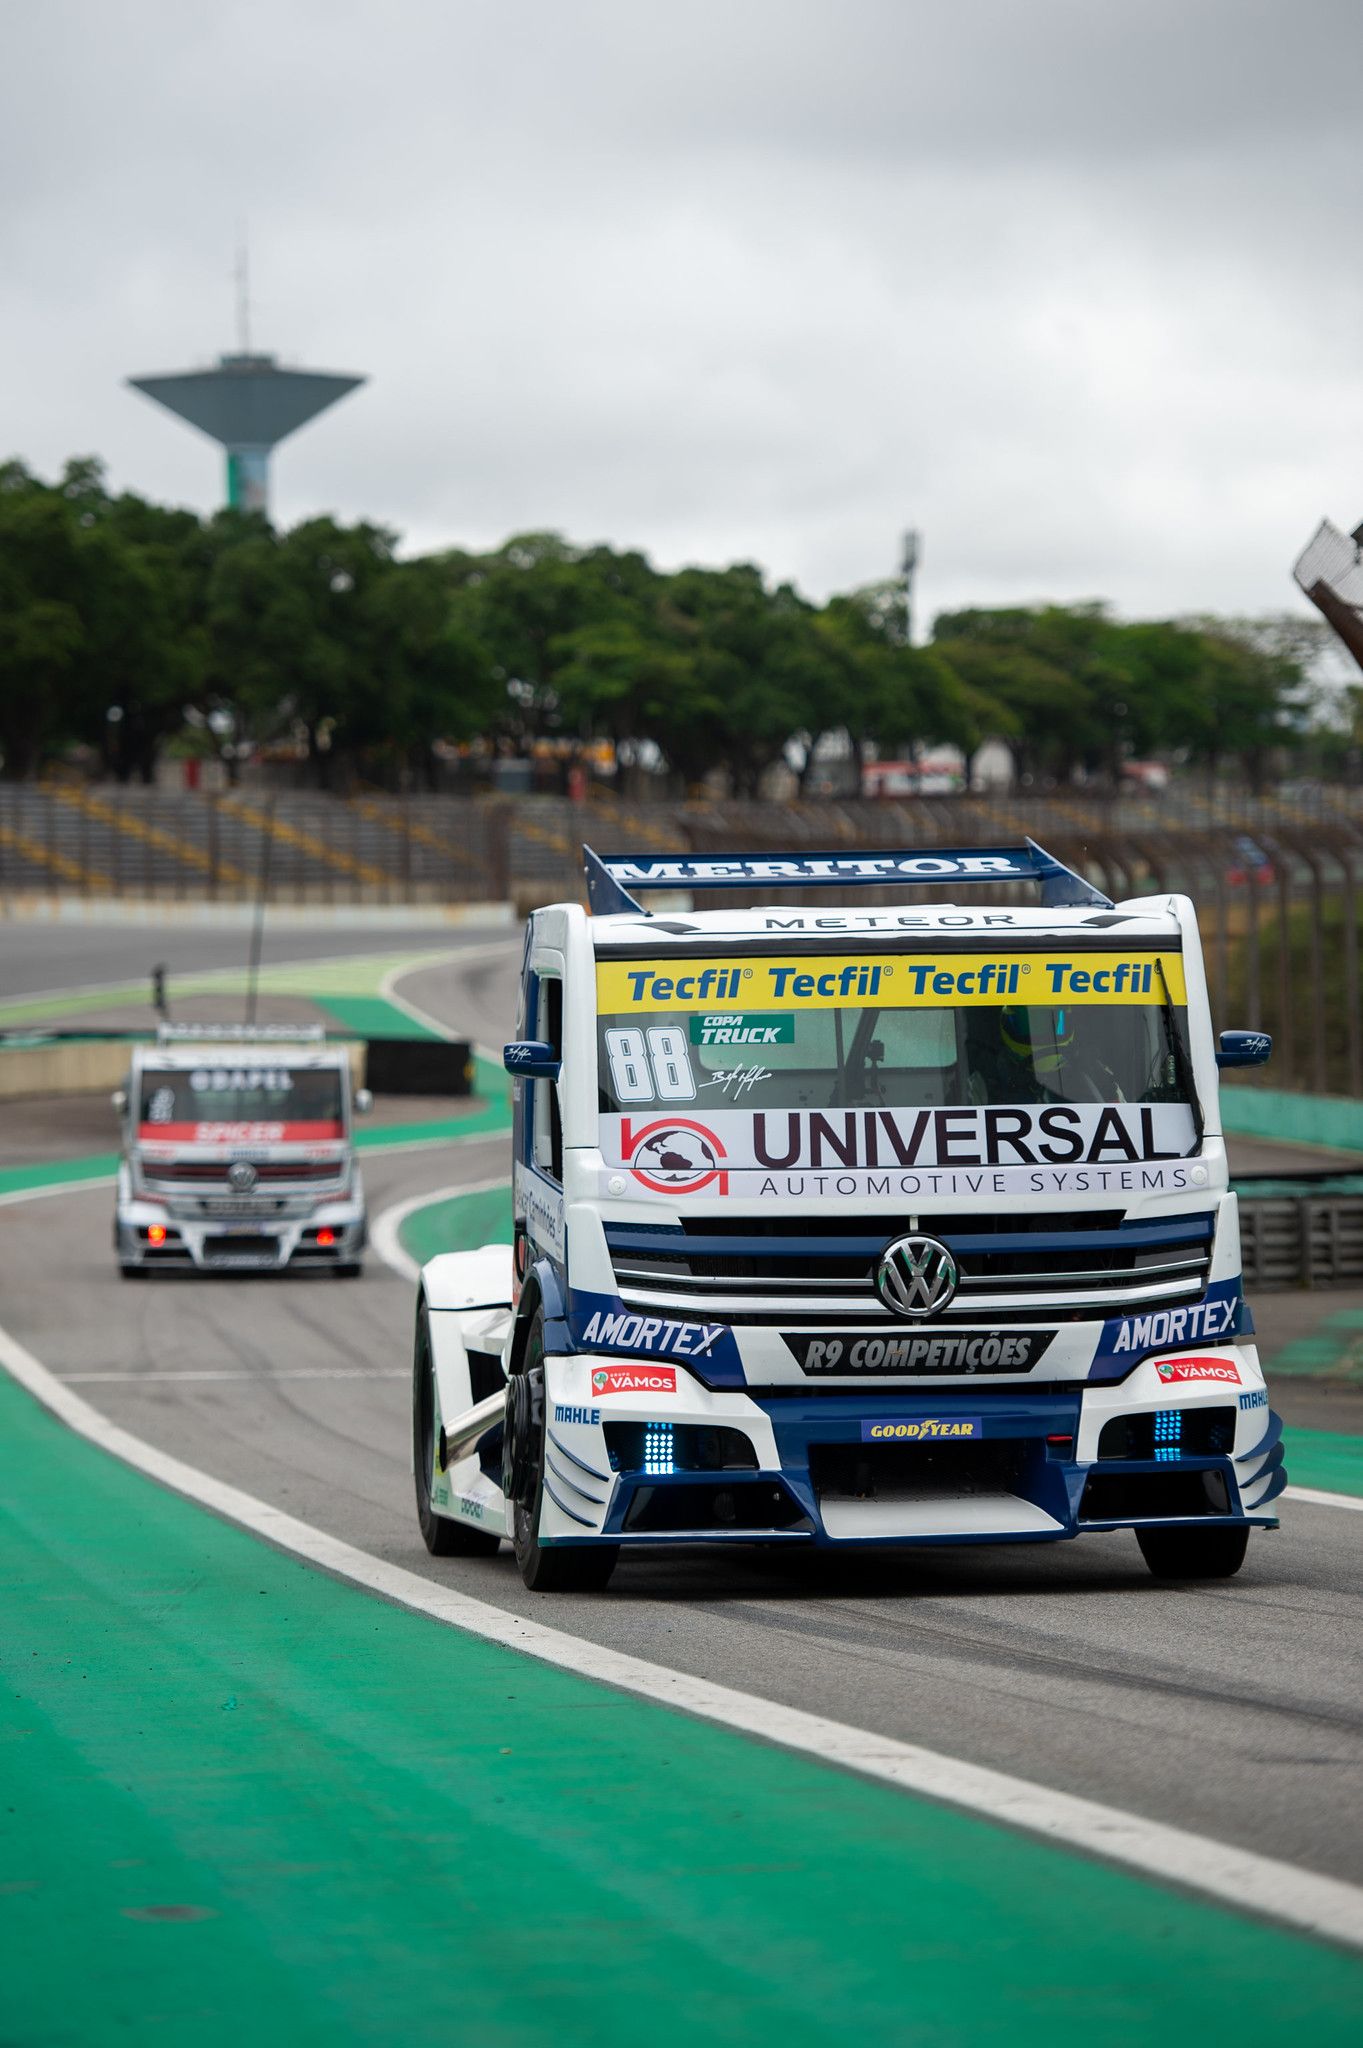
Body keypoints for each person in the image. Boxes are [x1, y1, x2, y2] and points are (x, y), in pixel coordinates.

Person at [967, 1006, 1123, 1104]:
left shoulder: (1095, 1075)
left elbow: (1123, 1122)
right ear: (1007, 1022)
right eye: (1030, 1023)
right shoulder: (983, 1081)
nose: (1042, 1035)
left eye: (1053, 1023)